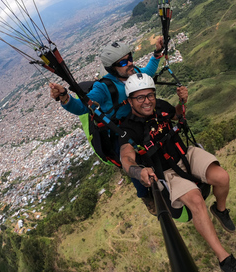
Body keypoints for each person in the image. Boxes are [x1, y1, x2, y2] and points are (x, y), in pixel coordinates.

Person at [118, 73, 236, 272]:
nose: (147, 101)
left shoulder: (160, 106)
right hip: (167, 173)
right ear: (130, 101)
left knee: (222, 177)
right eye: (140, 97)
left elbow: (177, 114)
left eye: (150, 95)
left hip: (184, 155)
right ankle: (225, 260)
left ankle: (220, 210)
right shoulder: (128, 128)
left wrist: (182, 102)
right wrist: (139, 172)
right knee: (196, 200)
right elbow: (126, 157)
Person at [49, 38, 165, 215]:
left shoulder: (133, 74)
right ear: (112, 68)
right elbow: (82, 106)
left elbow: (147, 72)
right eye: (124, 62)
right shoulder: (104, 88)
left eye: (130, 58)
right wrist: (64, 96)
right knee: (131, 163)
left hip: (139, 122)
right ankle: (145, 196)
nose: (130, 63)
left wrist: (157, 54)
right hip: (120, 131)